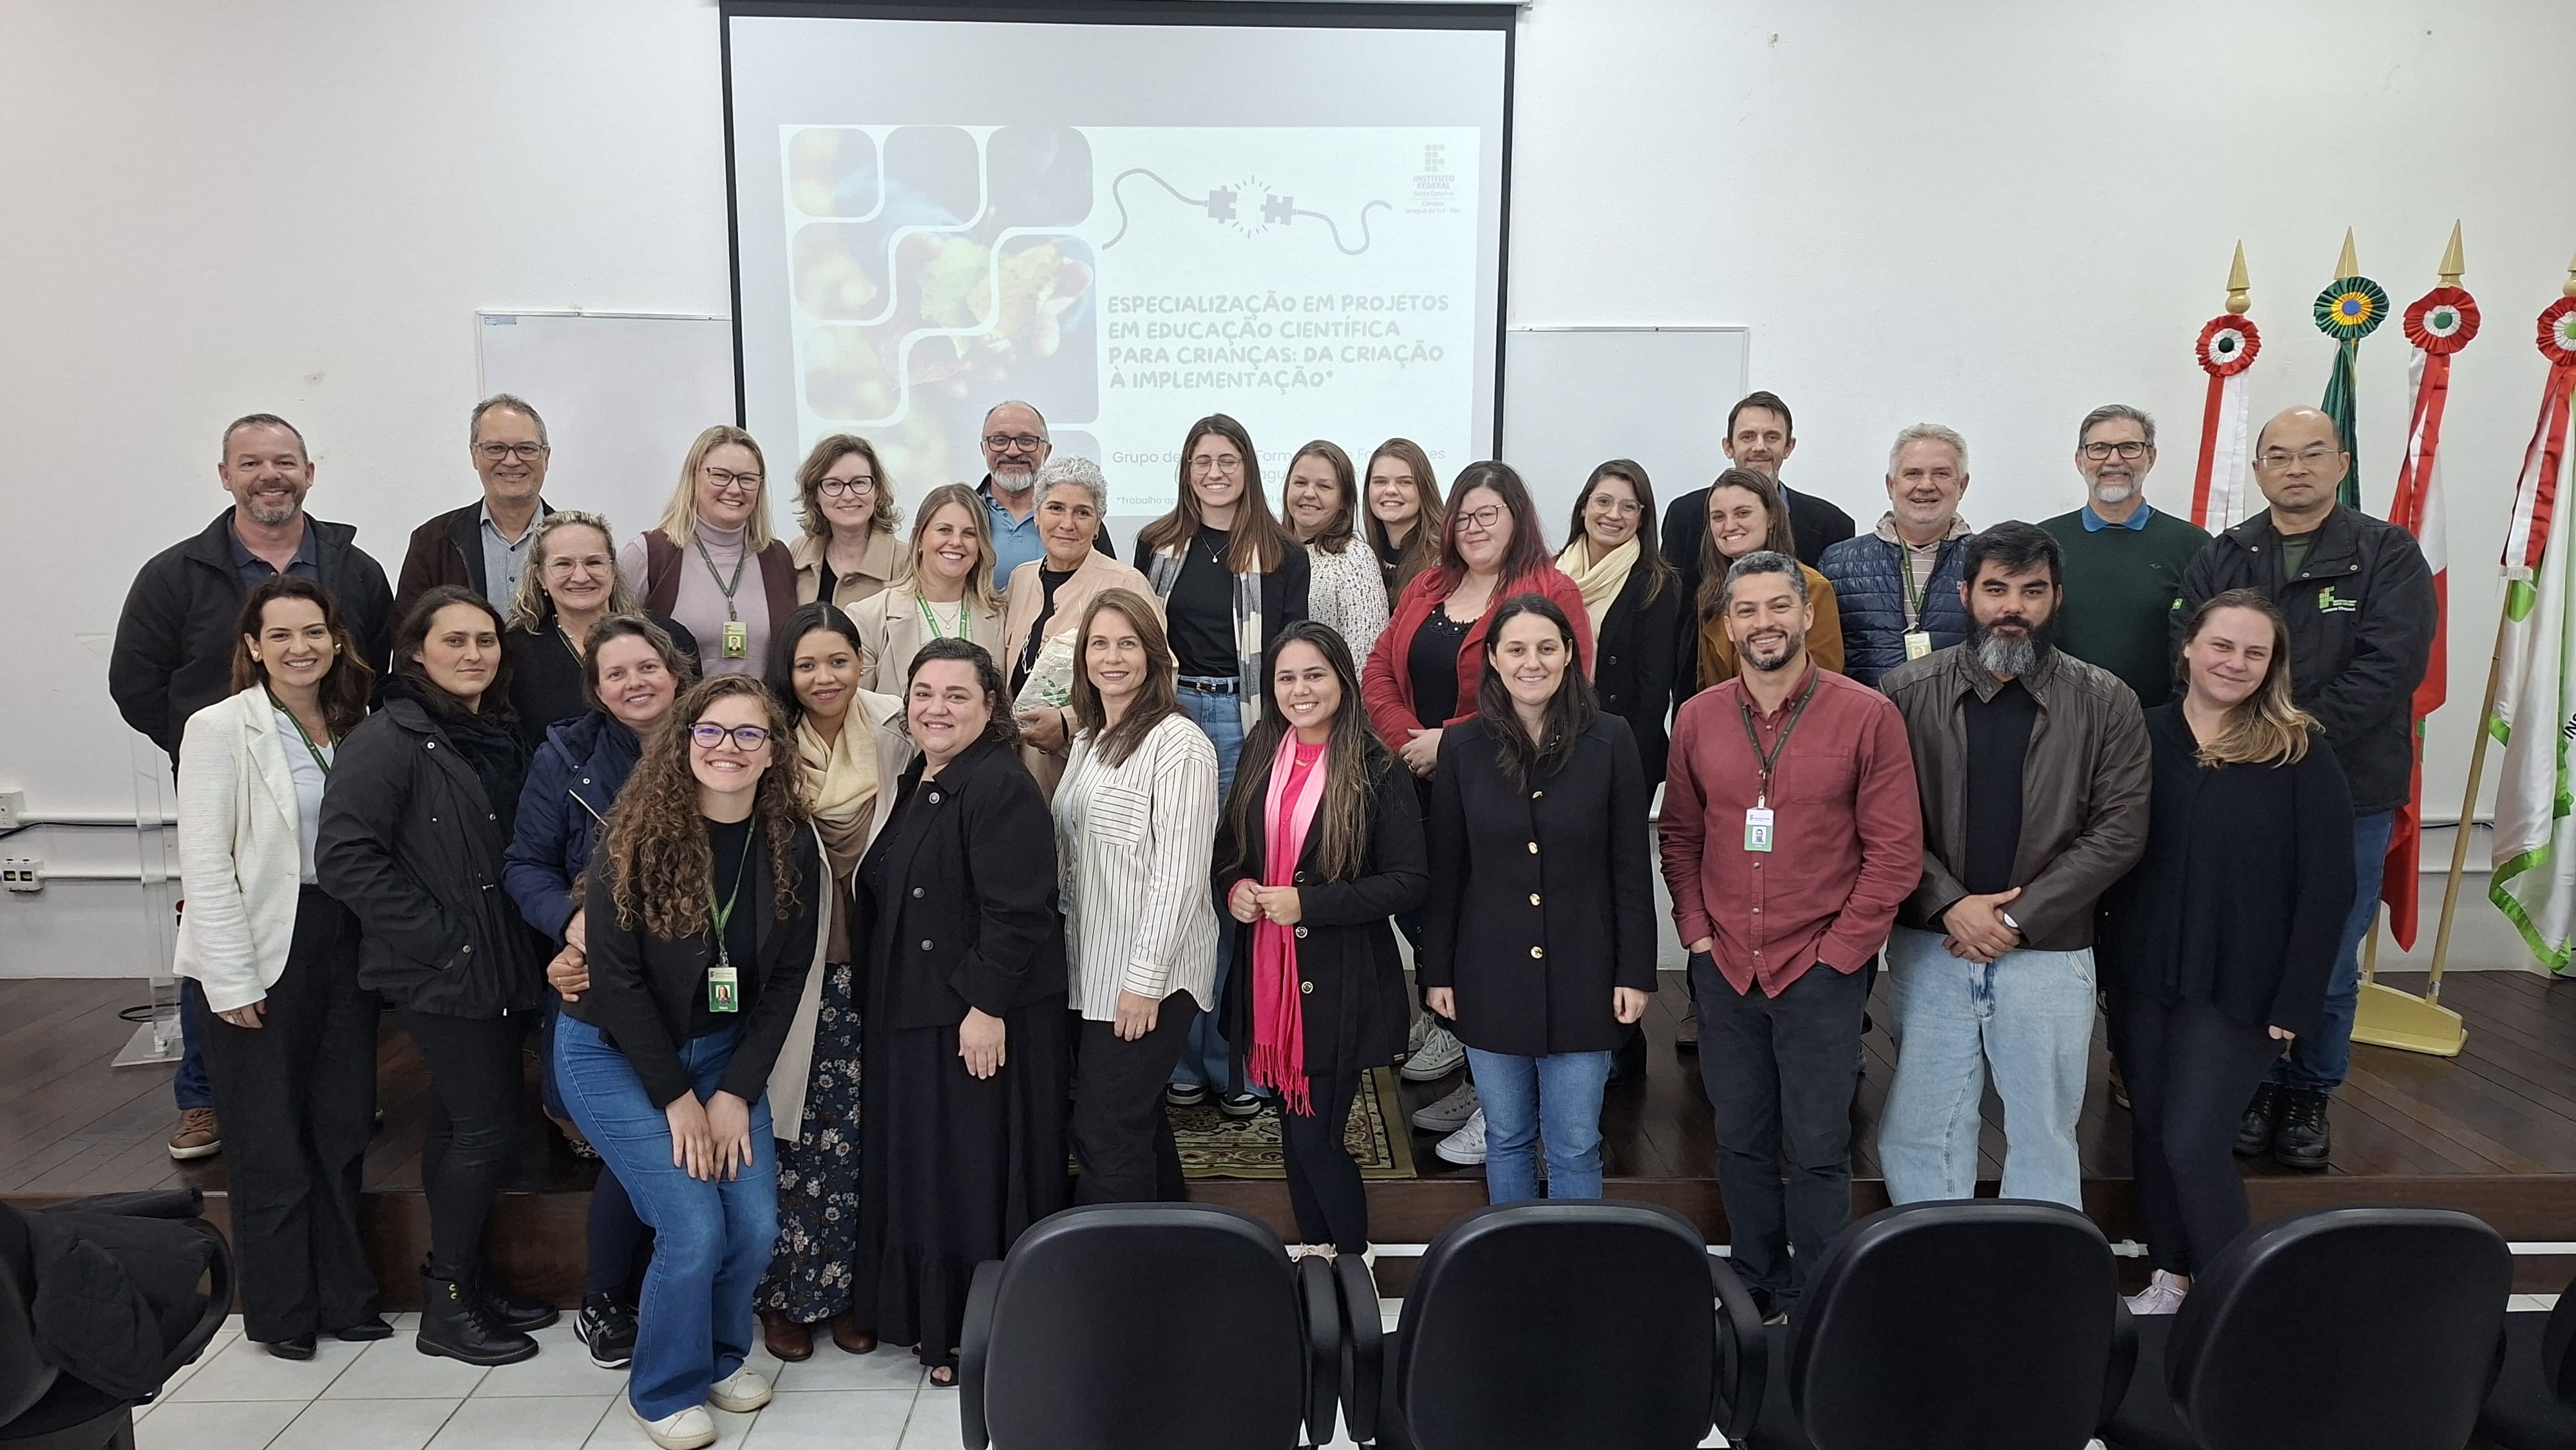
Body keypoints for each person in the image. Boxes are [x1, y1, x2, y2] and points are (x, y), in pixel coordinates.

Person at [111, 412, 393, 1162]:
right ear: (226, 475)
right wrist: (213, 750)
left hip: (335, 776)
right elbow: (134, 683)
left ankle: (336, 1088)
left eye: (285, 461)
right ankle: (205, 1096)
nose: (270, 474)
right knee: (226, 932)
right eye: (252, 462)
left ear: (309, 472)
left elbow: (383, 666)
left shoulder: (355, 569)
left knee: (327, 960)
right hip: (232, 782)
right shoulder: (176, 573)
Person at [558, 674, 820, 1449]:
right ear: (684, 741)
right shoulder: (633, 835)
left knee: (755, 1218)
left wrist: (737, 1090)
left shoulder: (791, 842)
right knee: (693, 1221)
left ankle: (717, 1357)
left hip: (724, 1057)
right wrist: (676, 1097)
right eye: (711, 731)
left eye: (749, 734)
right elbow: (617, 979)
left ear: (773, 751)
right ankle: (662, 1388)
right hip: (613, 1054)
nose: (728, 748)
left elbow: (785, 983)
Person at [1660, 551, 1920, 1318]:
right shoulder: (1701, 717)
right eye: (1747, 609)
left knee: (1817, 1144)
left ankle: (1818, 1294)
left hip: (1820, 969)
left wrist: (1841, 953)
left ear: (1807, 616)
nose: (1763, 622)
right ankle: (1753, 1280)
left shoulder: (1866, 714)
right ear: (1727, 623)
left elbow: (1895, 852)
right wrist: (1696, 932)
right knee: (1738, 1137)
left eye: (1780, 606)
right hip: (1726, 966)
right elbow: (1678, 836)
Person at [2177, 406, 2435, 1169]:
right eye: (2279, 455)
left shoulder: (2388, 554)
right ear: (2257, 469)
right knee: (2247, 944)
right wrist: (2246, 744)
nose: (2296, 467)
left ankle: (2309, 1089)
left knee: (2322, 952)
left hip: (2347, 791)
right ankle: (2255, 1083)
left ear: (2341, 462)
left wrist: (2284, 738)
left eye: (2311, 454)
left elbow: (2390, 670)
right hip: (2234, 789)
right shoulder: (2224, 554)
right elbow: (2190, 652)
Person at [1877, 523, 2150, 1209]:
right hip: (1931, 940)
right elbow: (1882, 820)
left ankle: (2039, 1290)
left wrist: (2014, 917)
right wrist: (1950, 903)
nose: (2013, 607)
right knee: (1922, 1127)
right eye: (1996, 588)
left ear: (2055, 597)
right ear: (1966, 594)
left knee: (2044, 1130)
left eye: (2031, 591)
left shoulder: (2106, 699)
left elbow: (2120, 829)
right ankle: (1934, 1270)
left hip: (2051, 949)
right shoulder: (1904, 691)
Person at [316, 587, 554, 1364]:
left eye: (485, 641)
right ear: (416, 650)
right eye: (454, 641)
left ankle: (464, 1284)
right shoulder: (387, 738)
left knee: (463, 1124)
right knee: (482, 1126)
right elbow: (346, 859)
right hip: (444, 971)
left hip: (499, 960)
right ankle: (448, 1302)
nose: (473, 655)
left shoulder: (492, 732)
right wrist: (443, 940)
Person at [2101, 591, 2354, 1316]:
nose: (2234, 662)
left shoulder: (2301, 750)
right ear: (2188, 647)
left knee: (2192, 1138)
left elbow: (2328, 886)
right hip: (2144, 972)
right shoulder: (2140, 733)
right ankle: (2171, 1276)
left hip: (2243, 985)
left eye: (2253, 652)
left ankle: (2233, 1303)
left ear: (2273, 665)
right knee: (2149, 1131)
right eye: (2221, 645)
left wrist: (2297, 997)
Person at [173, 576, 387, 1359]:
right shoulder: (220, 727)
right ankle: (282, 1311)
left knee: (339, 1125)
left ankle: (346, 1294)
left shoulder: (356, 724)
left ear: (337, 639)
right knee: (268, 1140)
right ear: (254, 647)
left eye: (315, 632)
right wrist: (229, 979)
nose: (301, 647)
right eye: (282, 634)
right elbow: (205, 861)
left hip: (345, 936)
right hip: (261, 943)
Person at [849, 639, 1071, 1386]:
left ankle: (972, 1333)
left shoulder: (999, 783)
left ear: (990, 707)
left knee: (970, 1175)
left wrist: (984, 1004)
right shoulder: (925, 774)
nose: (935, 708)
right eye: (923, 693)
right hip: (918, 1014)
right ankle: (931, 1323)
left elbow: (1021, 910)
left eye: (955, 695)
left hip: (977, 1020)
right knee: (931, 1173)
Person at [1361, 460, 1590, 1151]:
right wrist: (1411, 741)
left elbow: (1560, 688)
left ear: (1518, 516)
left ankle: (1505, 1112)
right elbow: (1376, 668)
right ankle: (1483, 1065)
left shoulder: (1549, 590)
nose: (1474, 526)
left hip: (1507, 790)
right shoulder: (1429, 584)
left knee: (1496, 939)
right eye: (1463, 515)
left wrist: (1451, 743)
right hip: (1417, 781)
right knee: (1431, 917)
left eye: (1489, 513)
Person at [502, 614, 696, 1370]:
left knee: (689, 1143)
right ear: (596, 688)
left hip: (698, 984)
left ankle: (672, 1288)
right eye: (616, 673)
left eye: (647, 666)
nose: (635, 682)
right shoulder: (567, 755)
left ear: (675, 671)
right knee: (632, 1145)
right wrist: (572, 925)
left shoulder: (715, 739)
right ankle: (607, 1298)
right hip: (598, 986)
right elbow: (526, 865)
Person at [1420, 595, 1654, 1203]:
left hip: (1586, 971)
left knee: (1575, 1140)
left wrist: (1635, 972)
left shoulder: (1611, 740)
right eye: (1516, 649)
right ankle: (1516, 1276)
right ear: (1493, 660)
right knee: (1508, 1137)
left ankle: (1574, 1282)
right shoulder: (1463, 747)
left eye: (1547, 647)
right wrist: (1437, 970)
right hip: (1487, 973)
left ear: (1570, 655)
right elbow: (1448, 872)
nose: (1532, 662)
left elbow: (1630, 867)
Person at [1216, 623, 1426, 1255]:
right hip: (1267, 975)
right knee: (1293, 1130)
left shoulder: (1375, 765)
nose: (1300, 689)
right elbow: (1230, 851)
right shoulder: (1261, 748)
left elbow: (1409, 882)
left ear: (1341, 679)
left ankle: (1352, 1263)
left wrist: (1309, 902)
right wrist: (1237, 888)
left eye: (1315, 674)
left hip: (1338, 982)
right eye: (1286, 677)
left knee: (1313, 1136)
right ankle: (1316, 1259)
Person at [752, 602, 914, 1363]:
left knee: (865, 1135)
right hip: (793, 967)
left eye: (838, 661)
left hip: (880, 958)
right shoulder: (761, 738)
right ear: (787, 671)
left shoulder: (898, 724)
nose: (825, 677)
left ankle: (853, 1291)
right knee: (796, 1136)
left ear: (862, 661)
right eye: (808, 664)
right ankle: (785, 1297)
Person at [1137, 415, 1311, 1114]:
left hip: (1249, 726)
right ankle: (1179, 1056)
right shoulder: (1156, 546)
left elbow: (1293, 657)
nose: (1215, 471)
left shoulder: (1282, 551)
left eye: (1228, 459)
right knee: (1174, 887)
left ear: (1247, 468)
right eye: (1202, 460)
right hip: (1171, 721)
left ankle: (1234, 1060)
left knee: (1236, 891)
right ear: (1185, 469)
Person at [1055, 591, 1220, 1204]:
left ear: (1153, 656)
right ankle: (1172, 1263)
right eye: (1099, 643)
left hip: (1148, 975)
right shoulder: (1090, 740)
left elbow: (1179, 875)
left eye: (1128, 643)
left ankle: (1112, 1285)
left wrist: (1144, 981)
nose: (1113, 657)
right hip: (1090, 969)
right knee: (1136, 1123)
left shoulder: (1180, 744)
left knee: (1104, 1131)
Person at [998, 457, 1159, 798]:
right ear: (1037, 516)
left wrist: (1068, 723)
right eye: (1056, 508)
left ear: (1098, 525)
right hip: (1016, 771)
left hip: (1094, 771)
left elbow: (1160, 676)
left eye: (1082, 513)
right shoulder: (1020, 579)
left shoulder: (1125, 584)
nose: (1067, 524)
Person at [2038, 405, 2211, 710]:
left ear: (2151, 458)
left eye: (2129, 447)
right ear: (2080, 461)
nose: (2114, 460)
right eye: (2099, 449)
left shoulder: (2194, 545)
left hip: (2160, 723)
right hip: (2060, 721)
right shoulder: (2042, 544)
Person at [502, 511, 701, 751]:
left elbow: (694, 723)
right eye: (563, 564)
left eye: (594, 562)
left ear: (614, 570)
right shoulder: (514, 653)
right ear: (541, 577)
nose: (580, 576)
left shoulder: (670, 638)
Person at [621, 425, 797, 677]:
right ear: (693, 476)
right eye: (720, 475)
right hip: (679, 715)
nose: (735, 489)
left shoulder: (778, 557)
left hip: (762, 714)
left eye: (747, 479)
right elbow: (612, 644)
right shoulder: (650, 553)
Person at [1817, 424, 1977, 687]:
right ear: (1891, 485)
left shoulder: (1988, 563)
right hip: (1866, 722)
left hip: (1960, 725)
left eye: (1941, 474)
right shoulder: (1837, 564)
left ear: (1962, 485)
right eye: (1913, 473)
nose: (1926, 485)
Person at [1659, 391, 1855, 599]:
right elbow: (1672, 606)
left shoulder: (1833, 525)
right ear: (1728, 447)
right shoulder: (1684, 515)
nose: (1760, 447)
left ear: (1789, 447)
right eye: (1748, 437)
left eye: (1772, 437)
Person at [1558, 459, 1681, 790]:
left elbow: (1654, 690)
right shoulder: (1551, 572)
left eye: (1629, 507)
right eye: (1603, 502)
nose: (1614, 515)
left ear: (1641, 518)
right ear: (1584, 507)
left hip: (1621, 747)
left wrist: (1629, 768)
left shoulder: (1656, 583)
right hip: (1553, 742)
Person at [395, 394, 555, 619]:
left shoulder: (579, 545)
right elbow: (408, 641)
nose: (511, 460)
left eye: (526, 449)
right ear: (474, 455)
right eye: (496, 448)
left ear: (546, 457)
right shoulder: (431, 542)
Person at [1691, 467, 1846, 690]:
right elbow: (1706, 682)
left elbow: (1824, 680)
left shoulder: (1812, 587)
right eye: (1718, 517)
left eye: (1742, 513)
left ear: (1772, 517)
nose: (1729, 526)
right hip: (1727, 720)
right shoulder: (1713, 592)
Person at [848, 482, 1009, 695]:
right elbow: (857, 707)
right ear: (919, 538)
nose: (956, 542)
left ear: (980, 548)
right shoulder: (867, 617)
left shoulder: (1000, 617)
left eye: (969, 534)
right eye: (944, 530)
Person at [974, 400, 1111, 585]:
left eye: (1026, 440)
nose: (1013, 451)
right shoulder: (965, 514)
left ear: (1046, 451)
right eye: (999, 440)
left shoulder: (1080, 520)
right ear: (984, 448)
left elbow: (1108, 587)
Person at [1283, 439, 1391, 662]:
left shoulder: (1355, 559)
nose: (1309, 493)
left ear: (1344, 499)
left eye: (1324, 486)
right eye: (1300, 483)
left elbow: (1366, 657)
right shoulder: (1267, 553)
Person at [790, 433, 903, 610]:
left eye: (859, 483)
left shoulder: (906, 563)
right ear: (815, 495)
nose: (848, 496)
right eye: (834, 484)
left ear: (877, 490)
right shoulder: (797, 555)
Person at [1362, 437, 1446, 605]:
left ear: (1424, 489)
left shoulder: (1443, 559)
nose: (1391, 490)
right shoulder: (1365, 557)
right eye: (1381, 482)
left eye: (1405, 482)